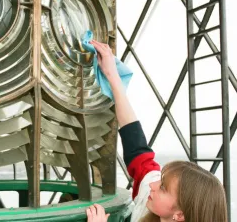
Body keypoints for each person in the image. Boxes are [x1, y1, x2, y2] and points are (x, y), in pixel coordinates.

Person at [86, 40, 228, 222]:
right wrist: (111, 74)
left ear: (180, 215)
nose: (152, 185)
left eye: (163, 188)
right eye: (161, 180)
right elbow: (136, 145)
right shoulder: (153, 197)